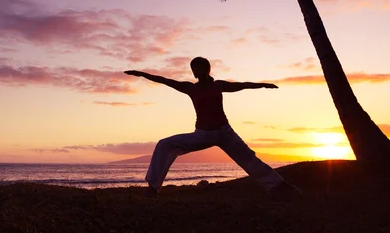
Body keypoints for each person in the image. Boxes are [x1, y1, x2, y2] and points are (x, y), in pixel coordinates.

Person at [124, 56, 300, 199]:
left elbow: (241, 85)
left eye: (198, 67)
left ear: (207, 69)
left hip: (225, 132)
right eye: (193, 68)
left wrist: (262, 85)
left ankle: (278, 186)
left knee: (248, 158)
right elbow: (164, 80)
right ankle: (152, 188)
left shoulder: (218, 85)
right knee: (164, 144)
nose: (195, 71)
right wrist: (142, 74)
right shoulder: (190, 88)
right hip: (203, 135)